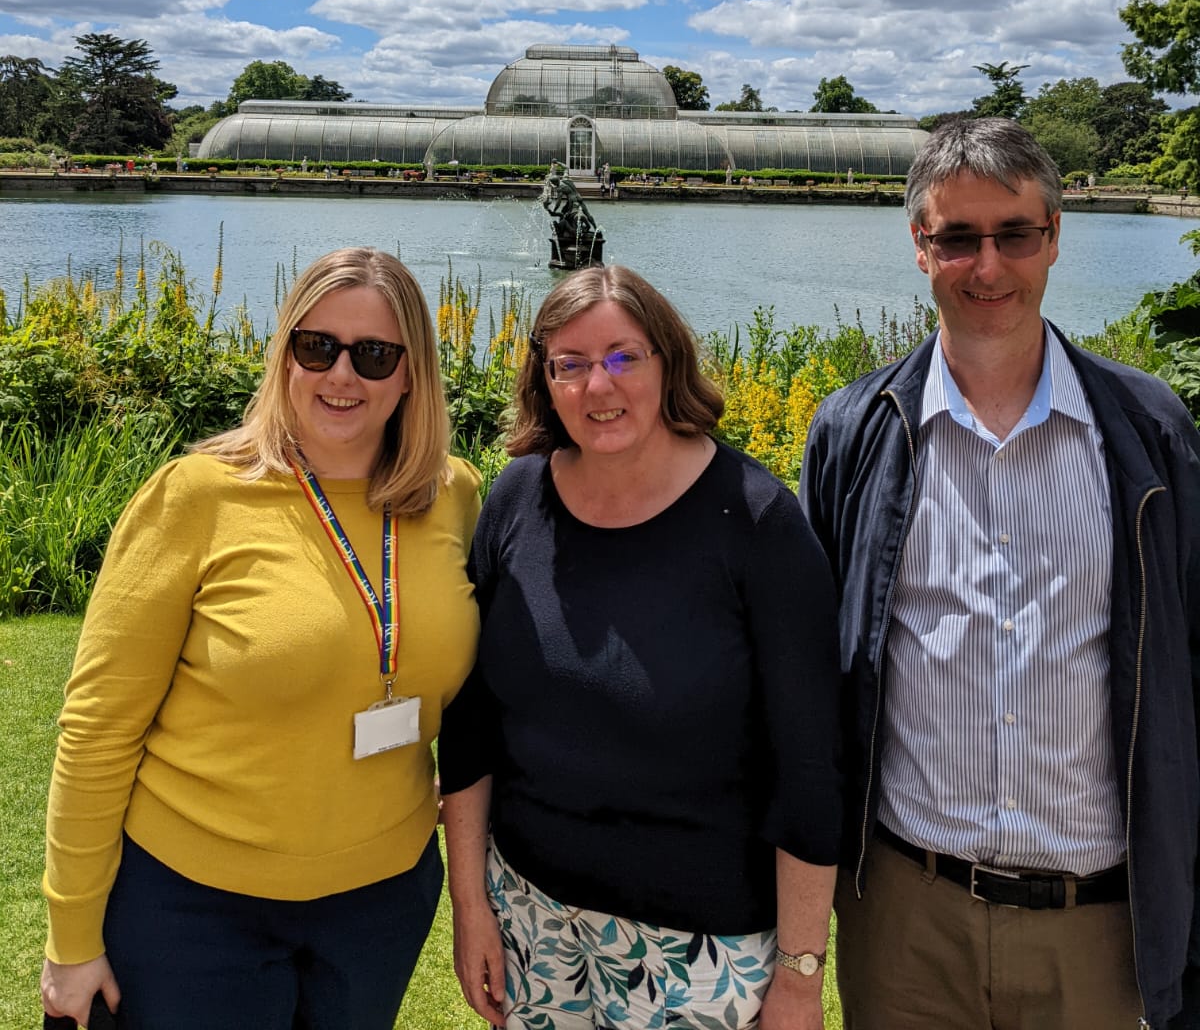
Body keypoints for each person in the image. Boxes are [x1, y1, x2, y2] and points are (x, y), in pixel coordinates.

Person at [799, 118, 1200, 1030]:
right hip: (907, 912)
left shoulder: (1149, 432)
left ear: (1055, 235)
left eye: (1014, 233)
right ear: (919, 247)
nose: (988, 267)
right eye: (958, 238)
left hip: (1096, 923)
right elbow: (811, 674)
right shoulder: (854, 434)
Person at [40, 247, 481, 1029]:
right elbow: (98, 727)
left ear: (411, 375)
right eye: (318, 347)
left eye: (375, 355)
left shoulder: (452, 495)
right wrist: (73, 937)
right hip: (195, 906)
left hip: (380, 902)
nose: (342, 375)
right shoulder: (198, 495)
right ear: (285, 355)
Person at [439, 264, 841, 1030]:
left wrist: (799, 977)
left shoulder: (757, 525)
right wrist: (471, 906)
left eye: (624, 356)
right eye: (572, 364)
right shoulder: (516, 497)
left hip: (699, 946)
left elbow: (810, 769)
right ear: (543, 380)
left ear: (668, 362)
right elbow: (472, 725)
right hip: (533, 916)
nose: (600, 386)